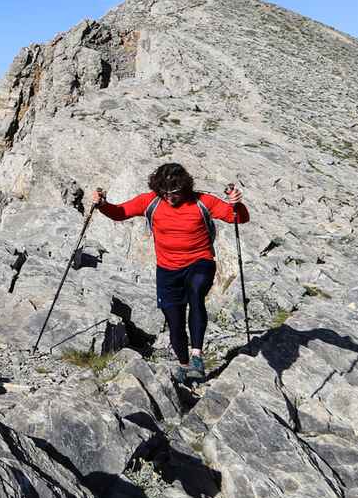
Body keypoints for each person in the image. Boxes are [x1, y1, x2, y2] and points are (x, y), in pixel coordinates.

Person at [90, 163, 248, 382]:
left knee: (196, 293)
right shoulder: (150, 201)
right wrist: (102, 204)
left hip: (200, 261)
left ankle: (196, 356)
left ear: (185, 187)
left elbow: (238, 218)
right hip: (167, 270)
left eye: (175, 192)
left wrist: (236, 204)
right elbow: (120, 213)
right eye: (164, 192)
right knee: (174, 322)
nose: (170, 197)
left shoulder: (203, 202)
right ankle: (185, 366)